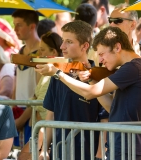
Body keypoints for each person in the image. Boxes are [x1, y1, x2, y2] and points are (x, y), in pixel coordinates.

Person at [36, 26, 141, 160]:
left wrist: (57, 73)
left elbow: (90, 93)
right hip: (122, 144)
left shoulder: (133, 67)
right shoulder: (133, 67)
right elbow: (112, 107)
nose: (101, 60)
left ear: (117, 47)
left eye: (102, 54)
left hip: (127, 146)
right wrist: (91, 79)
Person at [38, 20, 101, 160]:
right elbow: (51, 114)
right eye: (62, 41)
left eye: (69, 42)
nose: (62, 46)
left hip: (87, 152)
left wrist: (99, 155)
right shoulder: (57, 75)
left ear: (85, 46)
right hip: (59, 150)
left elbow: (104, 119)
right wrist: (44, 149)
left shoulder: (98, 77)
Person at [17, 31, 63, 160]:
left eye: (42, 50)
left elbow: (42, 104)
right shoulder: (45, 74)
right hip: (42, 127)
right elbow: (37, 99)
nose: (40, 54)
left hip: (49, 130)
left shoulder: (56, 75)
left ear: (54, 52)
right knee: (23, 156)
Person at [12, 9, 41, 147]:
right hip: (19, 111)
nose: (15, 29)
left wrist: (21, 119)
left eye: (19, 25)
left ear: (32, 26)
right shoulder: (21, 51)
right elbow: (16, 84)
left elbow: (39, 93)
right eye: (14, 24)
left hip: (33, 114)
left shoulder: (42, 52)